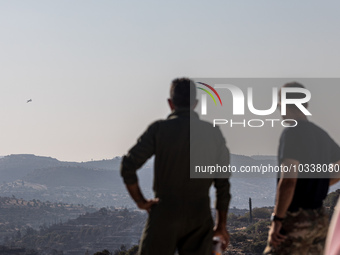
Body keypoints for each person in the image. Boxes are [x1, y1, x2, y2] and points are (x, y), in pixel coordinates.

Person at [120, 78, 231, 255]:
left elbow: (128, 166)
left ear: (170, 103)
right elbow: (222, 185)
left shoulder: (159, 129)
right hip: (199, 215)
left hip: (165, 212)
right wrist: (221, 226)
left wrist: (141, 201)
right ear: (195, 103)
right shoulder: (213, 133)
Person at [264, 82, 340, 255]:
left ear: (285, 104)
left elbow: (289, 181)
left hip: (295, 218)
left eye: (278, 105)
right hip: (319, 219)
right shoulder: (321, 134)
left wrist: (277, 219)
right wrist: (320, 183)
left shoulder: (291, 133)